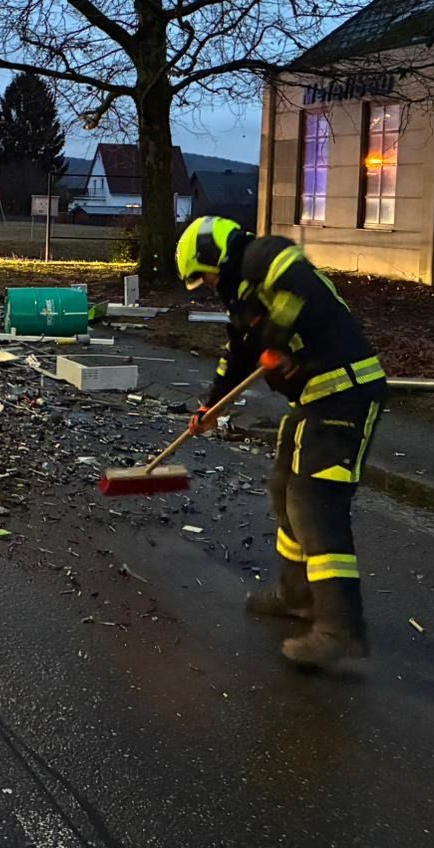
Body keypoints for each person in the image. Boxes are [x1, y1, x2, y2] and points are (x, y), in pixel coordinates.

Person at [175, 216, 387, 667]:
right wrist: (209, 408)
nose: (208, 285)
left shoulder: (266, 256)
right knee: (283, 489)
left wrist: (275, 341)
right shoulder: (242, 300)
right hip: (312, 400)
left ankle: (339, 627)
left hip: (344, 392)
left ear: (215, 255)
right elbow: (236, 358)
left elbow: (299, 291)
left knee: (315, 501)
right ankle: (296, 595)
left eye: (205, 275)